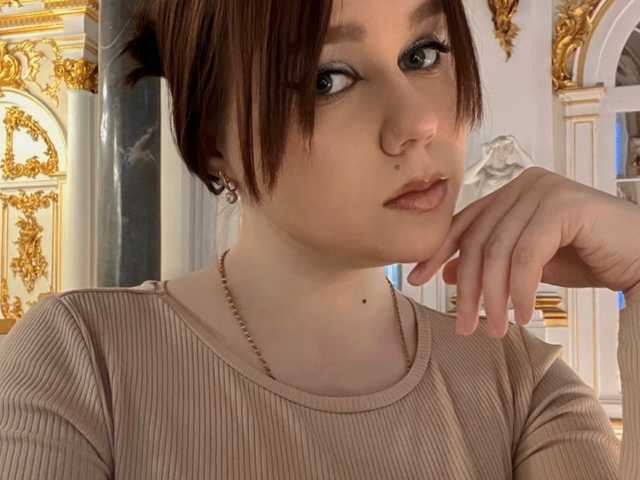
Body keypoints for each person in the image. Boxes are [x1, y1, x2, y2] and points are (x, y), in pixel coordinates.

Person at [0, 0, 639, 478]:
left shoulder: (522, 386)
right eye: (326, 79)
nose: (419, 121)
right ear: (214, 139)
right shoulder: (82, 361)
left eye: (422, 54)